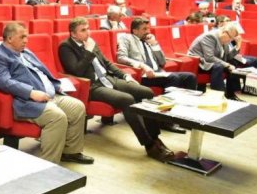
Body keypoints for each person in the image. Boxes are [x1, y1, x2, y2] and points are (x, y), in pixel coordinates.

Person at [58, 17, 175, 162]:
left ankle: (155, 138)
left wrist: (125, 76)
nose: (88, 32)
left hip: (108, 79)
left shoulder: (90, 42)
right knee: (127, 99)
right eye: (83, 30)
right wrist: (88, 51)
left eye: (88, 29)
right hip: (92, 86)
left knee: (146, 92)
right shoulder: (66, 47)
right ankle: (149, 144)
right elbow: (77, 71)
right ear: (73, 34)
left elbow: (107, 63)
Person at [0, 23, 92, 164]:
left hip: (50, 95)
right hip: (26, 101)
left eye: (27, 37)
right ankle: (48, 164)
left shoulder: (26, 52)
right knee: (57, 117)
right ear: (9, 38)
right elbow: (4, 82)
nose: (26, 40)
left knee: (77, 107)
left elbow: (42, 72)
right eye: (22, 37)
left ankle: (70, 152)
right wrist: (31, 93)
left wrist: (56, 86)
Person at [117, 17, 197, 133]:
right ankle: (165, 121)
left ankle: (184, 118)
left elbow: (162, 62)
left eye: (148, 28)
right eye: (144, 29)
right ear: (135, 30)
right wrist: (141, 65)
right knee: (173, 78)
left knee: (190, 77)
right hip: (143, 75)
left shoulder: (149, 40)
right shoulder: (126, 38)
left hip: (158, 73)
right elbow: (121, 57)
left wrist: (155, 45)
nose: (148, 31)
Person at [187, 22, 257, 101]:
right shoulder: (210, 37)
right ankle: (219, 96)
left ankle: (233, 94)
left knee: (232, 63)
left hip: (212, 62)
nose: (230, 40)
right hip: (200, 63)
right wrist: (227, 65)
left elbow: (227, 57)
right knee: (220, 66)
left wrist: (238, 46)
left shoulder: (223, 38)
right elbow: (209, 58)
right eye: (230, 38)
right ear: (224, 32)